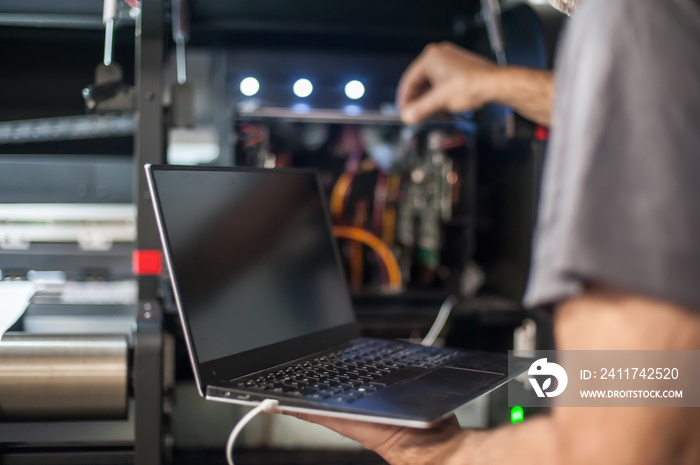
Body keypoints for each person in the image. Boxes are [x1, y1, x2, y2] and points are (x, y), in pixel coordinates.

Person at [279, 0, 700, 463]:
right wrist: (495, 83)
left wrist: (430, 452)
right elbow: (655, 109)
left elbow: (623, 450)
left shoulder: (639, 16)